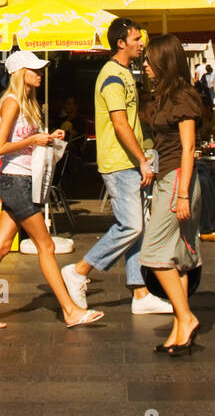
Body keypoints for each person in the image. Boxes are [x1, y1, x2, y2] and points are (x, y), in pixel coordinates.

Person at [0, 50, 103, 330]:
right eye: (35, 70)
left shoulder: (25, 102)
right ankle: (70, 310)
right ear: (21, 73)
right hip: (17, 181)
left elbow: (21, 143)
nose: (40, 74)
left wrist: (48, 138)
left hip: (19, 180)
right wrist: (34, 138)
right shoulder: (13, 102)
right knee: (47, 245)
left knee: (1, 247)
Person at [61, 19, 173, 318]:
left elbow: (133, 120)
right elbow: (119, 123)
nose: (141, 43)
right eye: (136, 38)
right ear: (120, 43)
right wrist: (142, 159)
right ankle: (78, 270)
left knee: (139, 229)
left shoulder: (126, 73)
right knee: (132, 226)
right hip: (120, 163)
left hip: (129, 161)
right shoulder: (112, 76)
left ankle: (140, 293)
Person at [138, 34, 204, 353]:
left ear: (164, 62)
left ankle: (186, 317)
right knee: (177, 258)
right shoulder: (164, 96)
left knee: (152, 253)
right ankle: (179, 330)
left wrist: (181, 194)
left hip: (179, 179)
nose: (145, 64)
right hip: (168, 176)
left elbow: (188, 147)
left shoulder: (182, 96)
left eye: (150, 60)